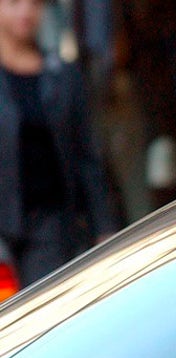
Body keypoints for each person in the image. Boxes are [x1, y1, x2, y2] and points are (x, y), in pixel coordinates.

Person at [0, 0, 117, 286]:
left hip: (51, 227)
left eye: (34, 3)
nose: (25, 11)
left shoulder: (63, 75)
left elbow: (87, 157)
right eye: (14, 2)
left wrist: (104, 227)